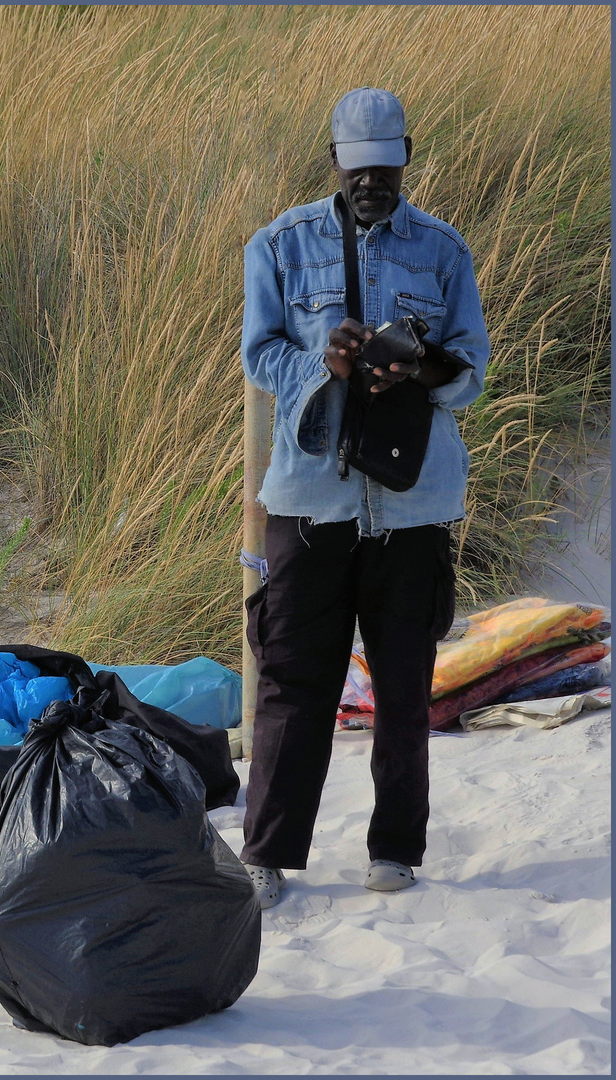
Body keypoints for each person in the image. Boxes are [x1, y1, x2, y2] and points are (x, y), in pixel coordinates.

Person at [239, 87, 489, 908]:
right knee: (290, 680)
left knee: (404, 681)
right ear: (333, 163)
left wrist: (413, 368)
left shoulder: (444, 250)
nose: (370, 185)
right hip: (309, 499)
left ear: (406, 156)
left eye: (384, 168)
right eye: (356, 170)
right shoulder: (277, 243)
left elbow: (471, 370)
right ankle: (269, 854)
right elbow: (259, 356)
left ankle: (395, 850)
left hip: (411, 500)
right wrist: (329, 364)